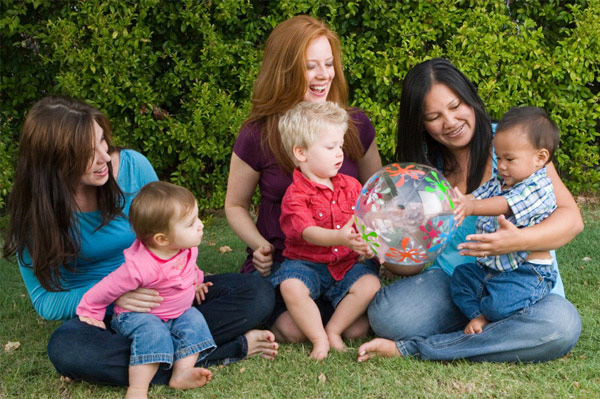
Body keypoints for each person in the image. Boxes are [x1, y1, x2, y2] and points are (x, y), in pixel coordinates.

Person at [2, 96, 278, 387]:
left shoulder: (133, 168)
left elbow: (171, 234)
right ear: (54, 160)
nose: (104, 157)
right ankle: (221, 350)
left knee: (257, 293)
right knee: (67, 348)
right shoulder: (34, 214)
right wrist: (113, 296)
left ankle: (155, 358)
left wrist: (190, 277)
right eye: (87, 152)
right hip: (109, 317)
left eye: (102, 142)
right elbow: (46, 301)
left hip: (169, 298)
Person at [357, 58, 583, 363]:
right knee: (388, 316)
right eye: (434, 116)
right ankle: (494, 329)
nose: (449, 122)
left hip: (522, 283)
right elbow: (412, 266)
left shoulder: (513, 145)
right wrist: (388, 244)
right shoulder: (422, 175)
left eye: (455, 106)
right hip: (461, 282)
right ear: (420, 124)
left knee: (560, 325)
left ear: (471, 99)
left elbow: (571, 219)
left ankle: (422, 348)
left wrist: (518, 241)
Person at [224, 15, 382, 343]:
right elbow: (235, 205)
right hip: (287, 261)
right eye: (311, 66)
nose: (323, 75)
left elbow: (377, 196)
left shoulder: (354, 126)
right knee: (293, 329)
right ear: (285, 69)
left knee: (355, 329)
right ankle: (307, 316)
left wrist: (374, 243)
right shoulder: (258, 133)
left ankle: (330, 317)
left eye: (328, 64)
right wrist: (260, 247)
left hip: (344, 258)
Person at [77, 181, 216, 399]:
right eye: (191, 223)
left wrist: (196, 283)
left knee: (195, 320)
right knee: (153, 332)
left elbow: (189, 269)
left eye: (197, 218)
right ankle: (138, 389)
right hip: (139, 317)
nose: (200, 225)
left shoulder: (187, 249)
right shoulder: (140, 267)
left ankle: (182, 372)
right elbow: (105, 288)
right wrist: (90, 310)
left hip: (177, 313)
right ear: (162, 239)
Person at [270, 101, 380, 359]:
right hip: (307, 264)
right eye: (330, 147)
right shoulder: (295, 194)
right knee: (291, 287)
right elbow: (306, 232)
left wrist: (368, 243)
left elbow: (365, 221)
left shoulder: (351, 186)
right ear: (301, 153)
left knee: (371, 284)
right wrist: (340, 236)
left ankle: (333, 329)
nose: (339, 153)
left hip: (347, 264)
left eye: (340, 146)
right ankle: (319, 339)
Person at [451, 106, 559, 335]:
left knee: (499, 305)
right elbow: (481, 193)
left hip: (527, 272)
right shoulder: (503, 179)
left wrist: (471, 207)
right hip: (493, 269)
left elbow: (506, 203)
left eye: (509, 159)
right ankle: (479, 318)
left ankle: (493, 316)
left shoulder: (538, 187)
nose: (501, 166)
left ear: (540, 158)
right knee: (460, 279)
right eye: (498, 157)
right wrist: (462, 201)